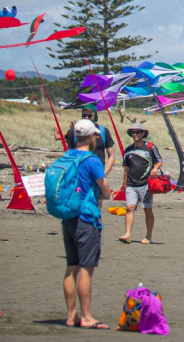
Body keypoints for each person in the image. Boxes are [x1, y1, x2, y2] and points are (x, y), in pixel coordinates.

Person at [61, 119, 111, 329]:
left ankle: (71, 316)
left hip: (68, 217)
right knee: (86, 269)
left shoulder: (66, 156)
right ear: (91, 137)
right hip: (86, 217)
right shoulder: (92, 160)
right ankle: (87, 316)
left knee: (71, 267)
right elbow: (106, 191)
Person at [119, 123, 163, 244]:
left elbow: (159, 161)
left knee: (147, 209)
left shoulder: (149, 147)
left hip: (146, 184)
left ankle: (148, 236)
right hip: (131, 184)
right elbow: (126, 169)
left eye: (138, 132)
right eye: (133, 132)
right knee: (130, 208)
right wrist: (124, 184)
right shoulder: (128, 150)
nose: (135, 134)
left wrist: (154, 169)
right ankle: (127, 234)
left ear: (143, 134)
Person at [65, 104, 115, 178]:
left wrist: (104, 173)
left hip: (98, 175)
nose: (86, 118)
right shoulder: (74, 132)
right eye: (84, 115)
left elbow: (111, 155)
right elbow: (68, 155)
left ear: (95, 117)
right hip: (79, 176)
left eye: (89, 116)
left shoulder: (103, 131)